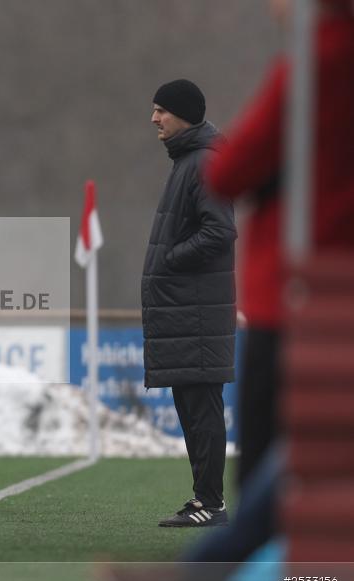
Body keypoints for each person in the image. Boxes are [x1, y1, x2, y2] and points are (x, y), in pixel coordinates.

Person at [205, 0, 354, 489]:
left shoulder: (317, 62)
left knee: (269, 472)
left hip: (294, 292)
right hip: (330, 291)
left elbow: (228, 171)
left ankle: (226, 568)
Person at [142, 79, 237, 527]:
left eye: (162, 110)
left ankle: (211, 504)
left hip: (195, 312)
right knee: (194, 411)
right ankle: (206, 501)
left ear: (184, 114)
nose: (155, 118)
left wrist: (171, 259)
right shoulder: (189, 160)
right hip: (187, 311)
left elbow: (219, 231)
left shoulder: (202, 161)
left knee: (201, 412)